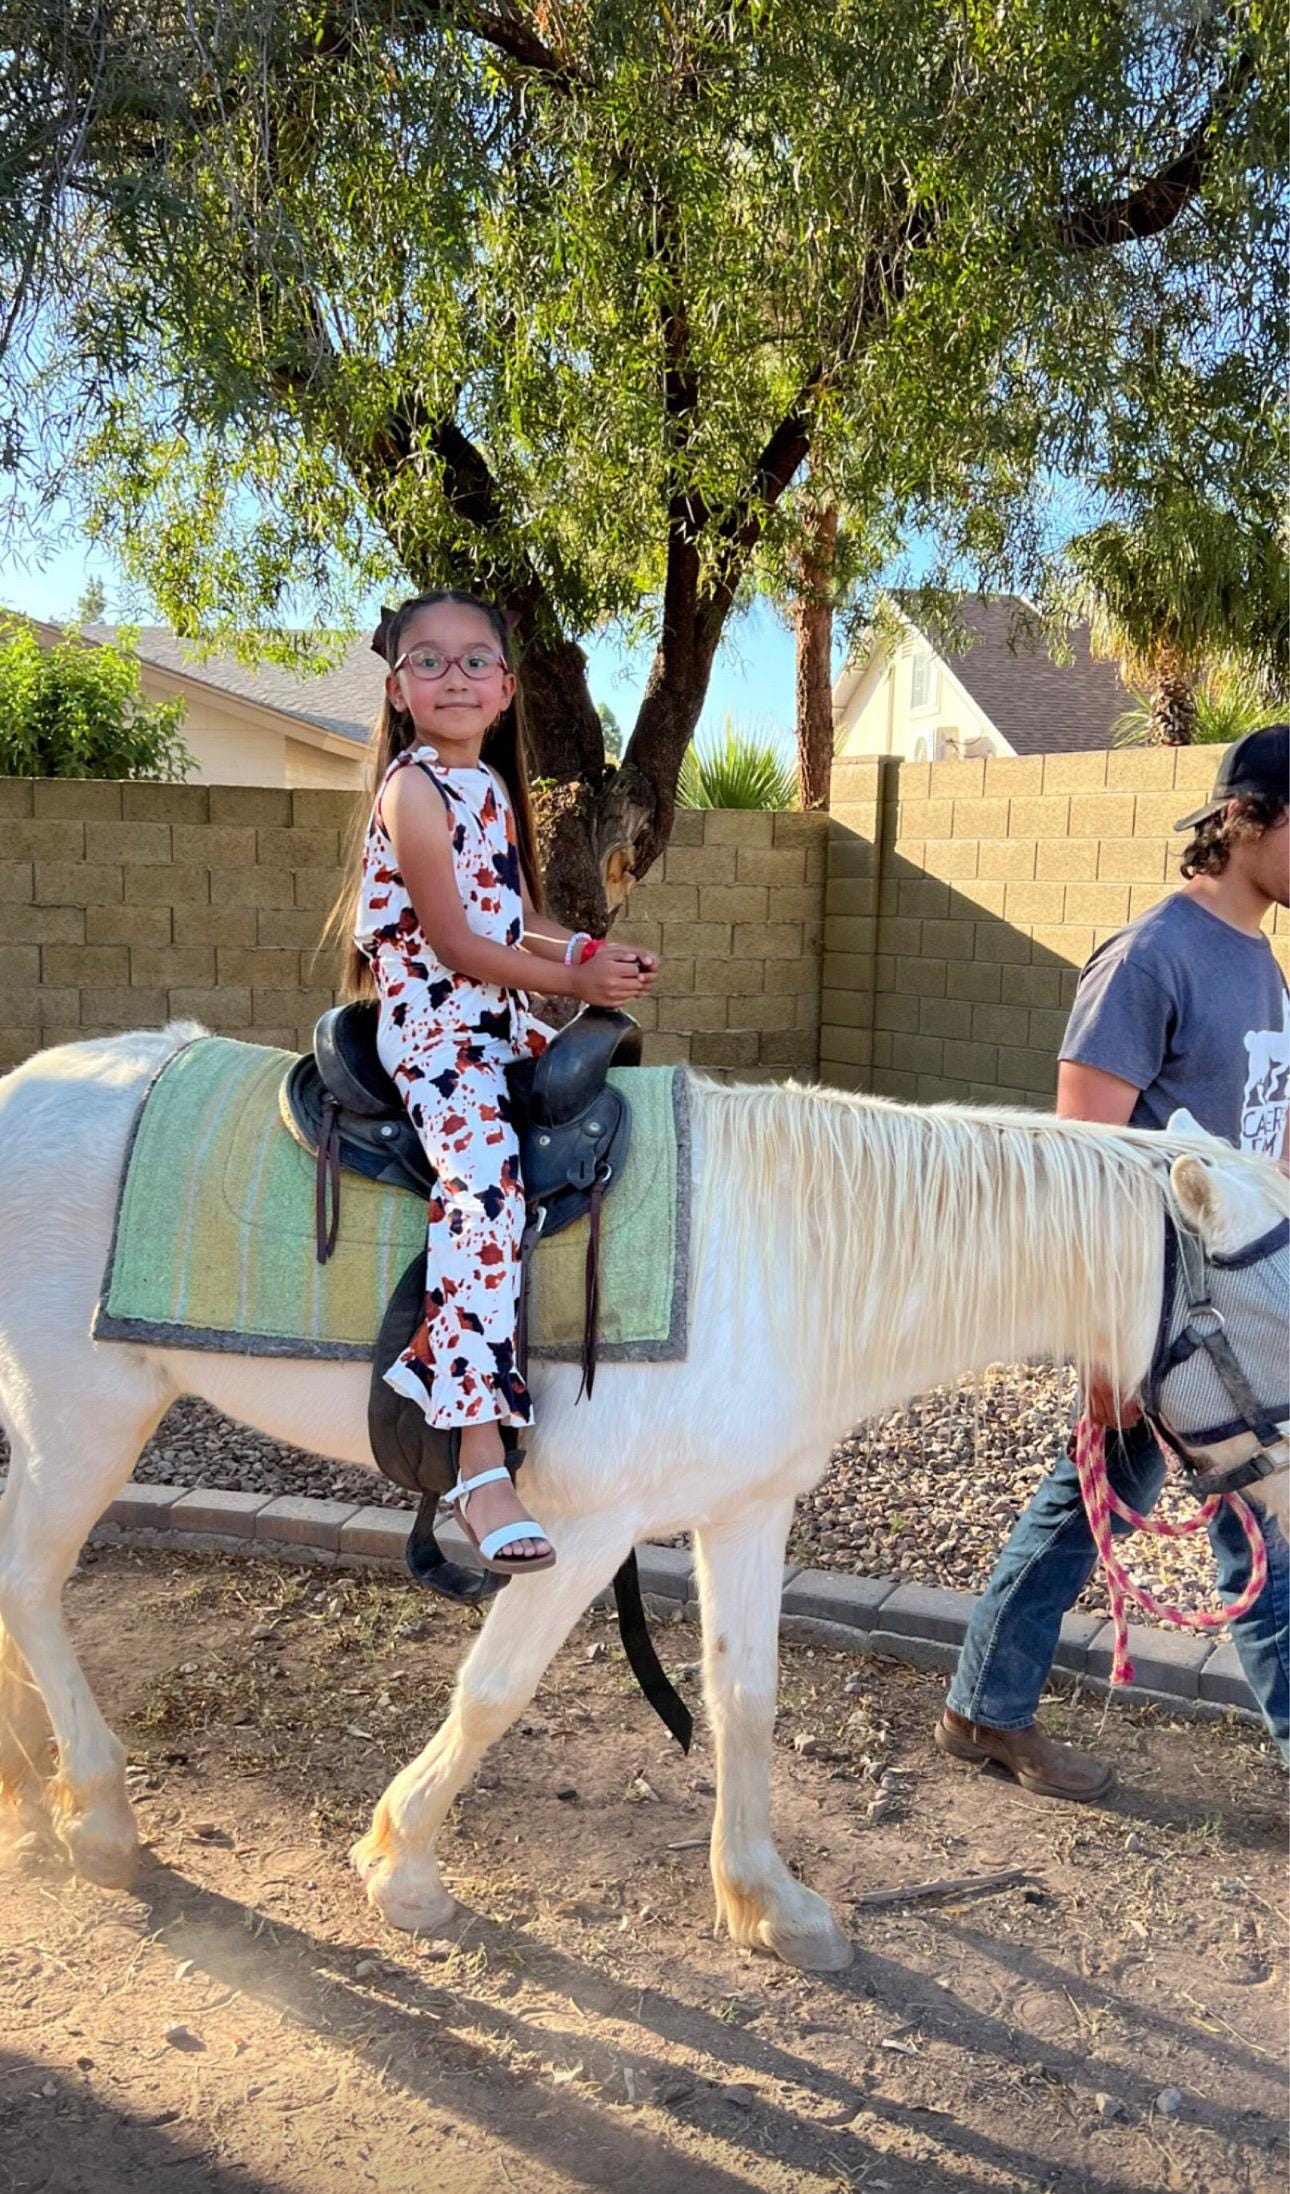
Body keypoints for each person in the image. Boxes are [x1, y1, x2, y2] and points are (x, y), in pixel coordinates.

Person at [937, 724, 1290, 1794]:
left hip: (1236, 1307)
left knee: (1096, 1505)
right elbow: (1080, 1160)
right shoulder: (1151, 957)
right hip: (1162, 1315)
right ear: (1244, 819)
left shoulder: (1261, 961)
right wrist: (1105, 1342)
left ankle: (981, 1707)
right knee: (1262, 1525)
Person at [342, 589, 659, 1575]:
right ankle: (479, 1459)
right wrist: (573, 979)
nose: (454, 677)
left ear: (509, 687)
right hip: (436, 1031)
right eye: (428, 662)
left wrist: (595, 949)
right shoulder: (410, 792)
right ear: (398, 690)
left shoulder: (487, 793)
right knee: (483, 1182)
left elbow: (519, 917)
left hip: (498, 1019)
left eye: (476, 660)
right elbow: (455, 942)